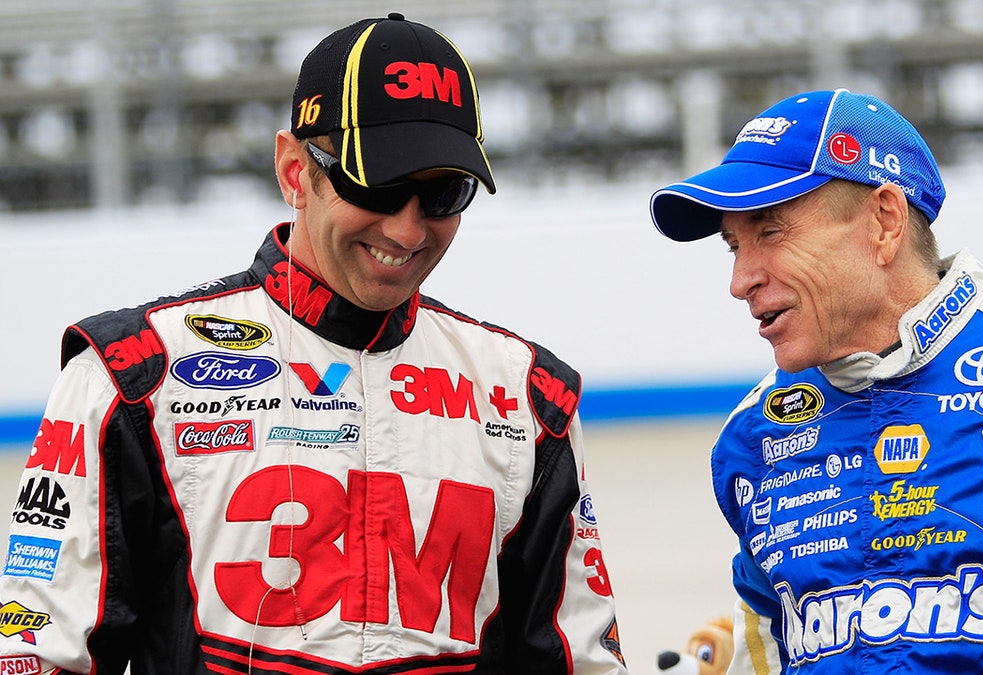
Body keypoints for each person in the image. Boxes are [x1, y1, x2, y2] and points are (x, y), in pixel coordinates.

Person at [0, 14, 627, 674]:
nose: (410, 229)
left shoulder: (528, 397)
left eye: (444, 192)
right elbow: (38, 653)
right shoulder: (132, 376)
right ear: (295, 171)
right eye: (377, 185)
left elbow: (578, 661)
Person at [647, 88, 983, 673]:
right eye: (733, 246)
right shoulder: (754, 438)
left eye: (771, 233)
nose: (741, 280)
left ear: (884, 222)